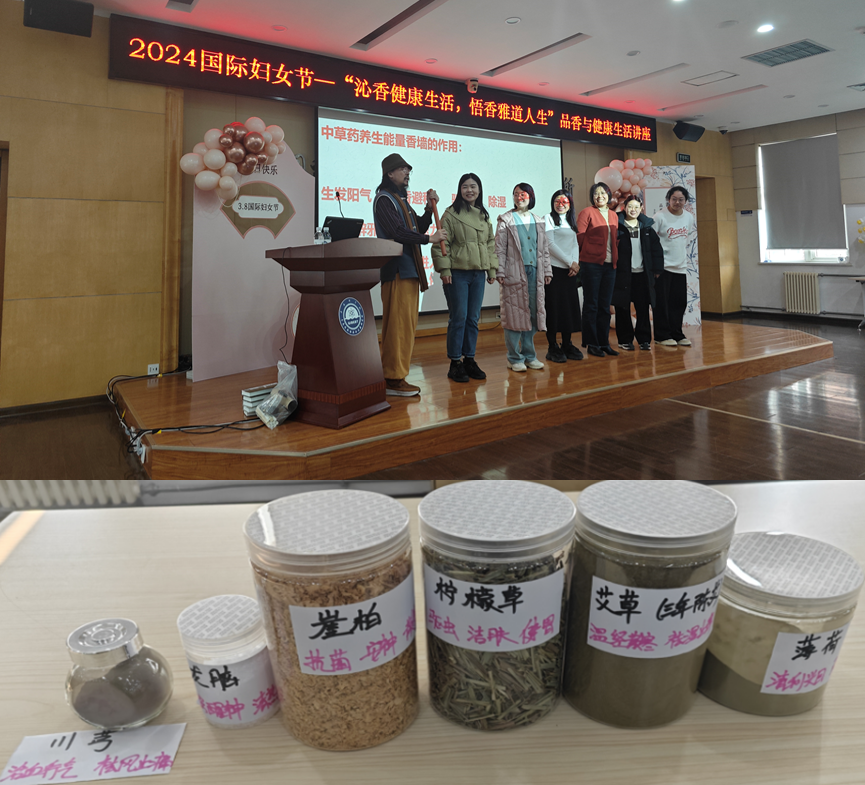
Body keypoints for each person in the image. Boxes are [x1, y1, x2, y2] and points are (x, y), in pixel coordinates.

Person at [373, 152, 447, 396]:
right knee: (398, 327)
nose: (407, 173)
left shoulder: (400, 200)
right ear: (389, 173)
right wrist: (429, 239)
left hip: (408, 270)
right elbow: (397, 232)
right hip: (396, 271)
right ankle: (392, 378)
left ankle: (397, 375)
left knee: (406, 326)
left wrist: (428, 208)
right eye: (402, 169)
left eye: (408, 170)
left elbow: (418, 226)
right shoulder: (384, 199)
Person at [431, 173, 497, 383]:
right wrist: (445, 270)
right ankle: (455, 363)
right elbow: (440, 244)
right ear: (459, 190)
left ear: (479, 189)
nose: (470, 190)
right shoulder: (450, 214)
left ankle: (469, 359)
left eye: (473, 186)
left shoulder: (484, 216)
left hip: (478, 274)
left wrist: (492, 269)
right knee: (458, 317)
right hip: (457, 273)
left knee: (473, 318)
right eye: (465, 187)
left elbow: (490, 244)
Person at [495, 183, 552, 372]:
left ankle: (529, 356)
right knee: (514, 315)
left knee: (533, 314)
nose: (519, 197)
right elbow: (499, 248)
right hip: (514, 272)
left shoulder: (538, 220)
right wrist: (500, 271)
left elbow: (544, 250)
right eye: (516, 194)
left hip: (535, 273)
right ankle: (514, 358)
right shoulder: (506, 220)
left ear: (531, 197)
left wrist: (547, 271)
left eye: (523, 194)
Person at [612, 194, 665, 351]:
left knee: (642, 308)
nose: (633, 210)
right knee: (622, 308)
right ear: (624, 208)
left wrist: (657, 270)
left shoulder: (646, 227)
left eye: (636, 207)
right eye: (630, 206)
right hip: (623, 274)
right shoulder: (617, 226)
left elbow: (656, 250)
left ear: (641, 208)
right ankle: (625, 340)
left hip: (642, 275)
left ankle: (644, 340)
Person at [576, 182, 619, 357]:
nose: (599, 196)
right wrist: (589, 253)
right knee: (591, 305)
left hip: (610, 266)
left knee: (605, 306)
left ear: (608, 195)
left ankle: (604, 343)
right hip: (591, 265)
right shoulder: (587, 212)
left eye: (602, 193)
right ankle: (592, 343)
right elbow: (579, 237)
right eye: (596, 193)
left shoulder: (613, 215)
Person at [652, 185, 696, 348]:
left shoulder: (689, 217)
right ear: (668, 200)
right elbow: (651, 242)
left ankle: (677, 333)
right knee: (662, 303)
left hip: (680, 267)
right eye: (674, 199)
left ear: (686, 201)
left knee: (678, 303)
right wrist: (655, 267)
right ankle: (662, 335)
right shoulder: (659, 217)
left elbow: (686, 239)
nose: (677, 202)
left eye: (681, 199)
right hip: (663, 268)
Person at [543, 190, 583, 363]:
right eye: (557, 201)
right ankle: (552, 346)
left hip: (569, 271)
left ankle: (567, 344)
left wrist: (575, 263)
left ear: (570, 204)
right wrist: (569, 262)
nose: (560, 204)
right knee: (553, 309)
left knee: (568, 309)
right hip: (554, 270)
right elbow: (549, 244)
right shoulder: (548, 218)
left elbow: (574, 244)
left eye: (564, 201)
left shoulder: (570, 221)